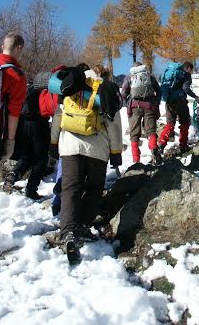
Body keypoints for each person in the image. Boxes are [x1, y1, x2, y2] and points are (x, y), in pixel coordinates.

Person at [50, 66, 123, 263]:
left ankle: (67, 232)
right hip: (97, 149)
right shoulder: (105, 89)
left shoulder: (68, 85)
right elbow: (114, 124)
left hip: (70, 146)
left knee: (70, 188)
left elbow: (58, 116)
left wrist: (53, 143)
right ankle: (82, 226)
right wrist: (116, 153)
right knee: (93, 189)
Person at [3, 82, 58, 198]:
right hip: (39, 125)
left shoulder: (27, 89)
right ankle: (31, 190)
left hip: (23, 124)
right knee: (41, 159)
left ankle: (14, 174)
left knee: (27, 156)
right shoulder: (47, 90)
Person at [0, 33, 27, 185]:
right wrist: (10, 142)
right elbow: (13, 113)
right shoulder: (17, 75)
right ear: (19, 48)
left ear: (3, 46)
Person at [158, 61, 199, 154]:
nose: (191, 72)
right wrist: (195, 97)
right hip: (180, 102)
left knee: (170, 124)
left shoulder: (171, 73)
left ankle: (161, 144)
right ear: (188, 68)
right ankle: (183, 146)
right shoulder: (186, 75)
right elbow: (186, 88)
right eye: (191, 70)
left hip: (169, 102)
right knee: (184, 123)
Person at [121, 62, 162, 164]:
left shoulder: (129, 77)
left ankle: (136, 160)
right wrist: (155, 101)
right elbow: (159, 91)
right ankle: (154, 150)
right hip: (149, 105)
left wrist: (127, 104)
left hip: (135, 106)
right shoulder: (149, 76)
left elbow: (123, 93)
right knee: (151, 131)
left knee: (134, 134)